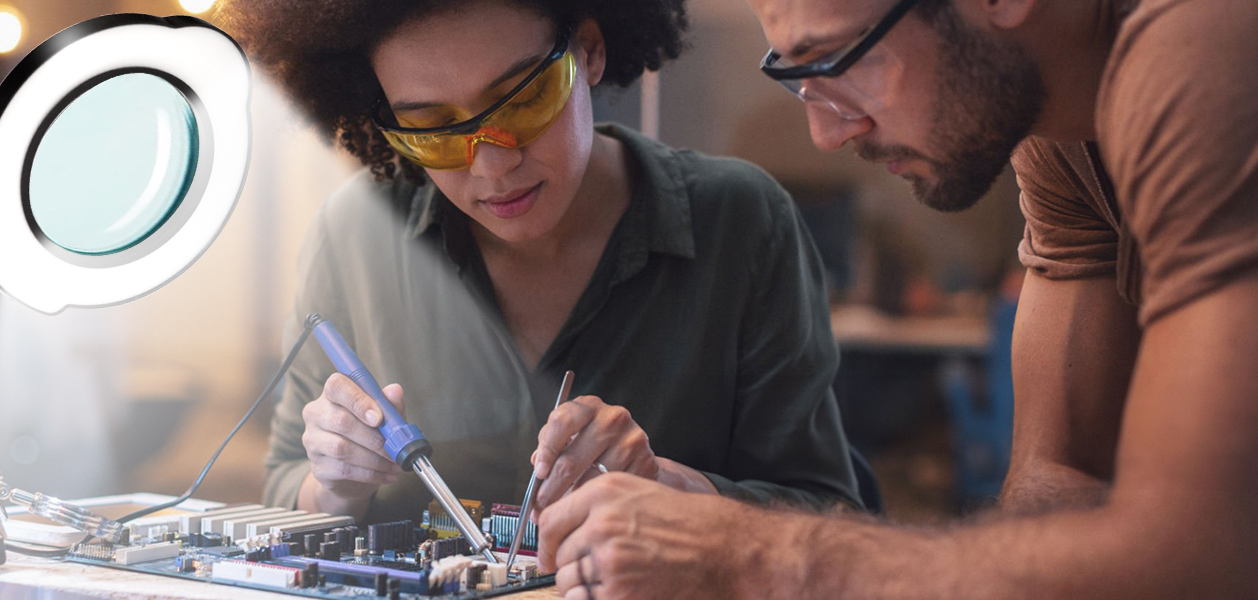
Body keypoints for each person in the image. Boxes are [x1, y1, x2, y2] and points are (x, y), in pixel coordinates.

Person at [537, 0, 1258, 597]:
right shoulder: (1055, 131)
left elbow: (1198, 553)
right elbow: (1053, 497)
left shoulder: (1204, 51)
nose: (825, 133)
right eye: (797, 77)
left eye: (840, 61)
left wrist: (750, 553)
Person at [219, 0, 864, 525]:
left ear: (587, 52)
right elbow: (285, 488)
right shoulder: (354, 235)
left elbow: (834, 517)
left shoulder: (740, 222)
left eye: (522, 101)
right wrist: (335, 483)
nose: (492, 166)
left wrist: (668, 485)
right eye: (434, 131)